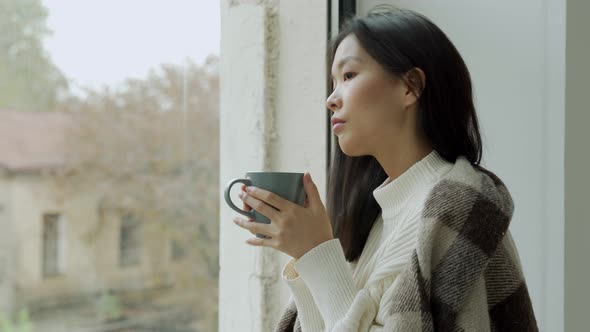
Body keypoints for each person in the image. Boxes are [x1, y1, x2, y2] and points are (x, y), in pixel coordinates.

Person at [232, 6, 538, 332]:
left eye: (348, 76)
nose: (331, 99)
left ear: (410, 86)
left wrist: (317, 253)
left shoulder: (460, 206)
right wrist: (309, 258)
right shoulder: (374, 221)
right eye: (332, 82)